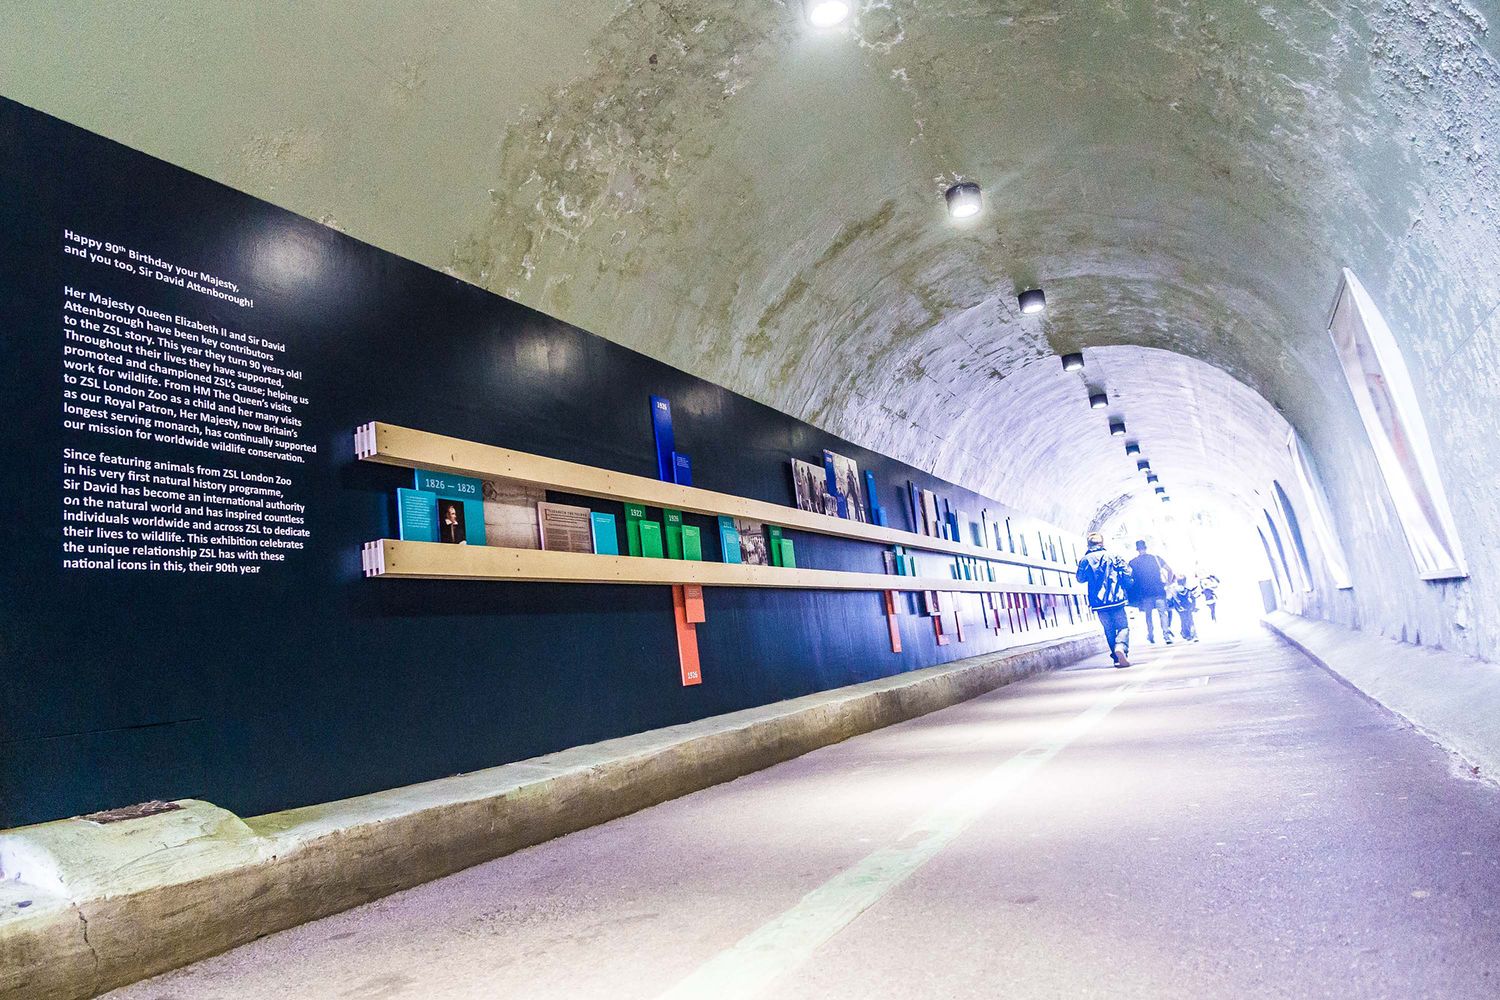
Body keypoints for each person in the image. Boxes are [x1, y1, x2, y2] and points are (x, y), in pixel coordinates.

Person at [1076, 531, 1133, 667]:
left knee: (1108, 629)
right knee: (1123, 626)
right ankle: (1121, 647)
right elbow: (1128, 572)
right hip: (1117, 599)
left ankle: (1116, 657)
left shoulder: (1085, 560)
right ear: (1102, 543)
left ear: (1089, 544)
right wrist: (1125, 584)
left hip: (1098, 602)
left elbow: (1080, 578)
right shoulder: (1113, 556)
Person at [1129, 539, 1174, 644]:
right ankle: (1166, 636)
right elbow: (1170, 570)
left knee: (1148, 615)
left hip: (1145, 594)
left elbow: (1129, 578)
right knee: (1162, 613)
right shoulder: (1156, 559)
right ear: (1145, 547)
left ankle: (1150, 635)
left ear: (1137, 549)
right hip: (1159, 591)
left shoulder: (1133, 562)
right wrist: (1168, 583)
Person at [1168, 573, 1200, 642]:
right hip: (1186, 606)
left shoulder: (1173, 589)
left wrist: (1170, 604)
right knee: (1189, 620)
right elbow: (1193, 597)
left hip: (1180, 607)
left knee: (1184, 620)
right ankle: (1191, 634)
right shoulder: (1185, 588)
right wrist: (1194, 606)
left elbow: (1170, 598)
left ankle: (1188, 633)